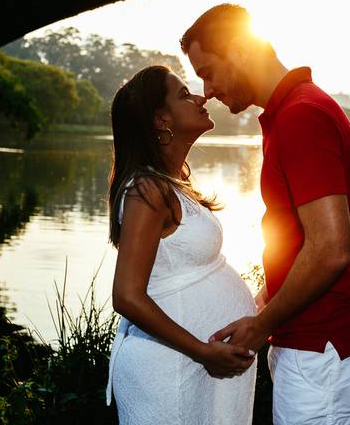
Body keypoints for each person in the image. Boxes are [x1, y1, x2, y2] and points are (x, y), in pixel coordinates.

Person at [180, 4, 350, 425]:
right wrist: (268, 302)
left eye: (208, 71)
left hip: (327, 347)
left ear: (241, 48)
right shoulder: (291, 112)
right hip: (323, 346)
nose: (206, 89)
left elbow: (331, 249)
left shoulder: (301, 116)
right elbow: (305, 243)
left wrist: (262, 324)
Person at [105, 65, 258, 424]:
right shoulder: (147, 189)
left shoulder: (170, 185)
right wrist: (203, 351)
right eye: (184, 95)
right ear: (161, 120)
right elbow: (126, 295)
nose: (201, 97)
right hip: (170, 372)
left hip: (195, 369)